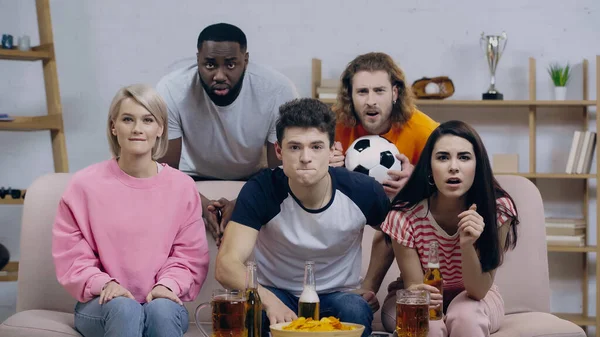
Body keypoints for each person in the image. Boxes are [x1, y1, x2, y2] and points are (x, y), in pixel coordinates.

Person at [215, 98, 390, 337]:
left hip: (337, 294)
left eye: (316, 147)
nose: (305, 157)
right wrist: (266, 299)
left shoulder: (363, 191)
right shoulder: (262, 190)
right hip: (277, 291)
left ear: (332, 151)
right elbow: (227, 265)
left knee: (355, 310)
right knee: (257, 312)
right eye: (295, 147)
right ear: (279, 151)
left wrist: (370, 285)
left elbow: (394, 234)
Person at [52, 84, 209, 337]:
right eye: (128, 119)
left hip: (163, 302)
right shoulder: (83, 186)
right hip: (103, 304)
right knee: (126, 309)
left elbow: (189, 256)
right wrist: (106, 283)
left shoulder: (182, 187)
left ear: (160, 129)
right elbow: (72, 257)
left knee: (161, 312)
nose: (137, 128)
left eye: (148, 120)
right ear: (114, 126)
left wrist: (167, 286)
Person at [157, 22, 298, 246]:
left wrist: (244, 201)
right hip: (193, 177)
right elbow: (164, 172)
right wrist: (199, 203)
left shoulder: (277, 89)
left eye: (231, 65)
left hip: (252, 179)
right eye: (210, 65)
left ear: (246, 60)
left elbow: (281, 171)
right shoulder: (172, 89)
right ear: (198, 60)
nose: (220, 75)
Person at [379, 120, 519, 336]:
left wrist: (467, 245)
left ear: (478, 165)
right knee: (429, 326)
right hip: (418, 294)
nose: (454, 167)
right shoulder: (403, 216)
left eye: (464, 157)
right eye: (443, 157)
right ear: (429, 167)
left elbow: (478, 289)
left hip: (475, 294)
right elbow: (415, 286)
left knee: (466, 318)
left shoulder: (497, 210)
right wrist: (420, 294)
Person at [330, 52, 439, 311]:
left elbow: (462, 174)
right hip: (347, 209)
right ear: (350, 95)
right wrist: (326, 167)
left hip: (401, 213)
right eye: (362, 92)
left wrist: (420, 180)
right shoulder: (334, 126)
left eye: (379, 91)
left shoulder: (424, 130)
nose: (370, 101)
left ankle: (367, 291)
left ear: (395, 93)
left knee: (398, 215)